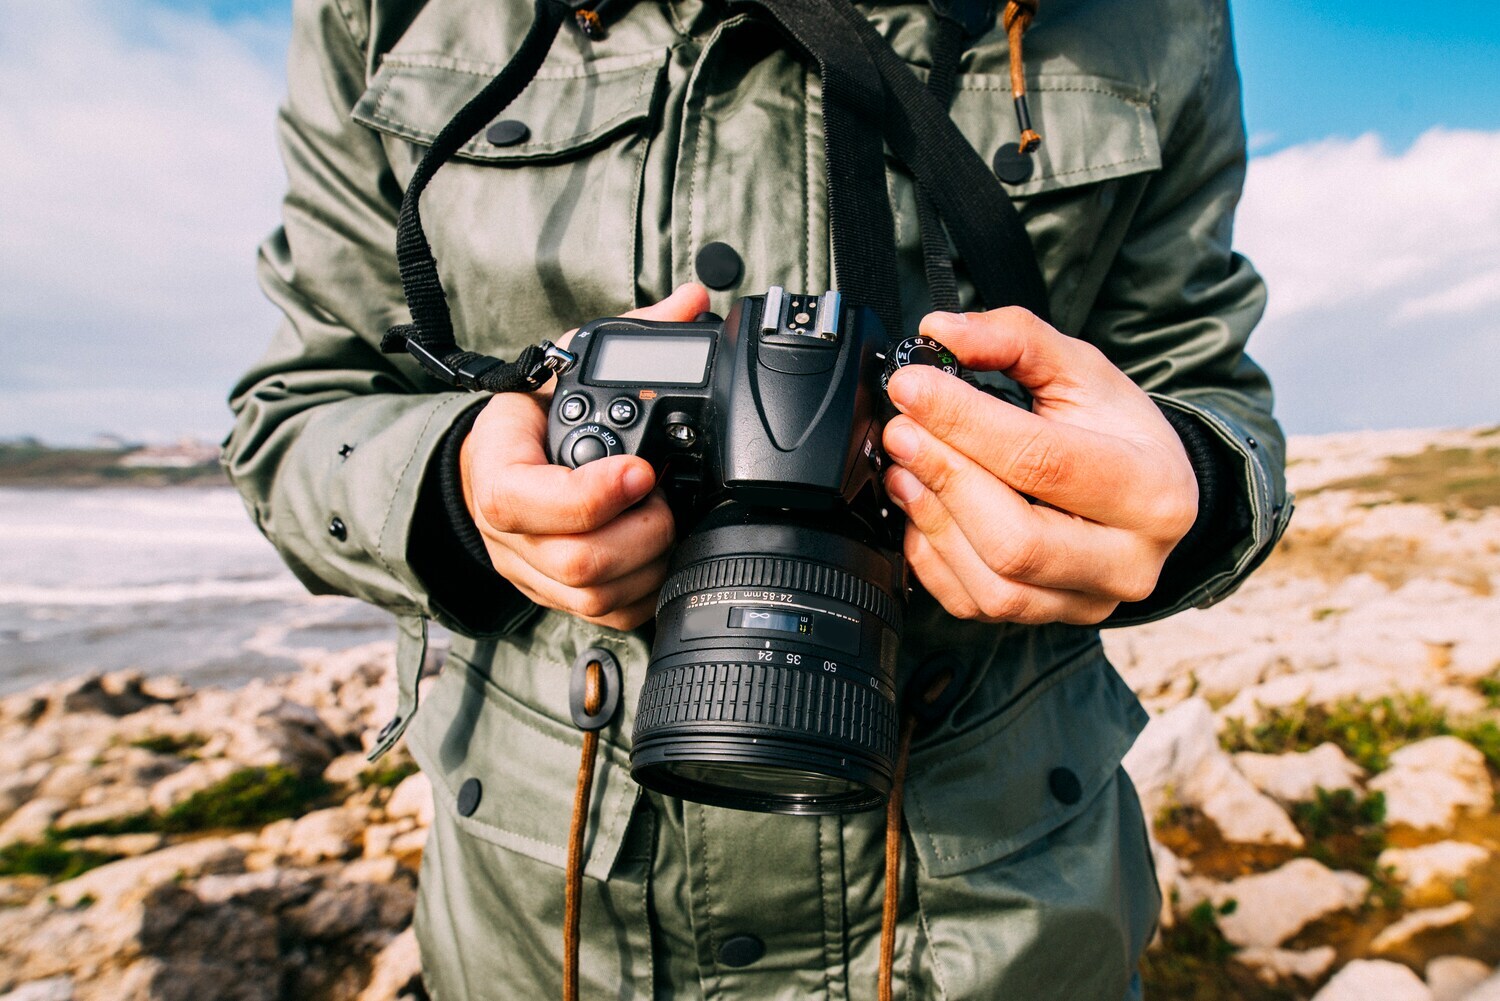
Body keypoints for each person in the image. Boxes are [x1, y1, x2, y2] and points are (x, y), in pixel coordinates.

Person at [225, 0, 1291, 996]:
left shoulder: (1149, 17)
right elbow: (298, 410)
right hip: (542, 919)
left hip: (1004, 909)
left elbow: (1198, 384)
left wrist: (1180, 494)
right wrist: (460, 488)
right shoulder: (390, 10)